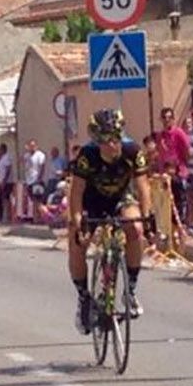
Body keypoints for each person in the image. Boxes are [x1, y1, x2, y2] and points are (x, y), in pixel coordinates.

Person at [63, 110, 151, 330]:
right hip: (92, 201)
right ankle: (84, 297)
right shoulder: (87, 155)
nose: (112, 145)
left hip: (121, 198)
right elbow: (76, 192)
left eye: (115, 138)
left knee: (135, 228)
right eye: (105, 140)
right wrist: (77, 223)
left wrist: (147, 217)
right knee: (77, 242)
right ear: (97, 141)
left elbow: (143, 188)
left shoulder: (132, 150)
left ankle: (129, 290)